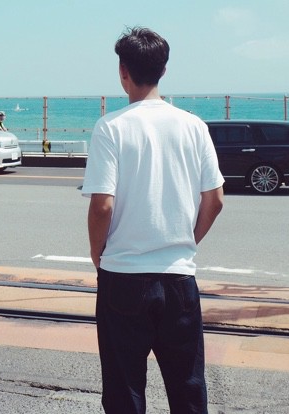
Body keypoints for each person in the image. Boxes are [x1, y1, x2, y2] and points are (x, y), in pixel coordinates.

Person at [82, 27, 224, 414]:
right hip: (179, 279)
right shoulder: (193, 126)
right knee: (188, 389)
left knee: (124, 390)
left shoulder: (111, 127)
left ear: (123, 71)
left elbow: (102, 206)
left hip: (122, 277)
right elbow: (215, 200)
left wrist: (97, 253)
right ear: (163, 70)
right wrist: (186, 241)